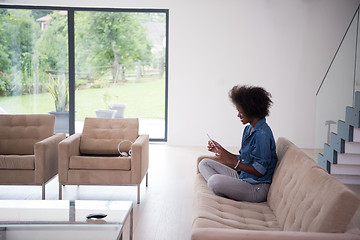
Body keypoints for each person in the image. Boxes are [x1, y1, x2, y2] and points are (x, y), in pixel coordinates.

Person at [198, 85, 277, 202]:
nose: (238, 115)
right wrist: (221, 151)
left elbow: (260, 171)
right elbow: (245, 160)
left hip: (256, 187)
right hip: (244, 177)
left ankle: (227, 191)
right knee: (204, 163)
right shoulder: (248, 129)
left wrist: (234, 162)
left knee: (214, 181)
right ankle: (229, 191)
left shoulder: (262, 135)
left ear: (251, 110)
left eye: (240, 111)